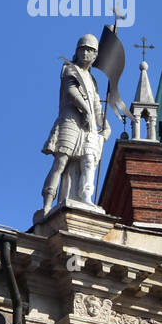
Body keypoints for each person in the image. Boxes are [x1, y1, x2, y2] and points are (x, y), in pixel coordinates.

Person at [41, 33, 110, 213]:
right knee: (61, 161)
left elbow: (96, 105)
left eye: (91, 50)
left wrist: (104, 123)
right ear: (77, 51)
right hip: (70, 120)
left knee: (88, 160)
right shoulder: (69, 68)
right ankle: (47, 205)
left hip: (87, 126)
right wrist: (86, 111)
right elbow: (72, 92)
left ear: (95, 56)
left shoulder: (92, 80)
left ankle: (84, 196)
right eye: (83, 49)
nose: (86, 53)